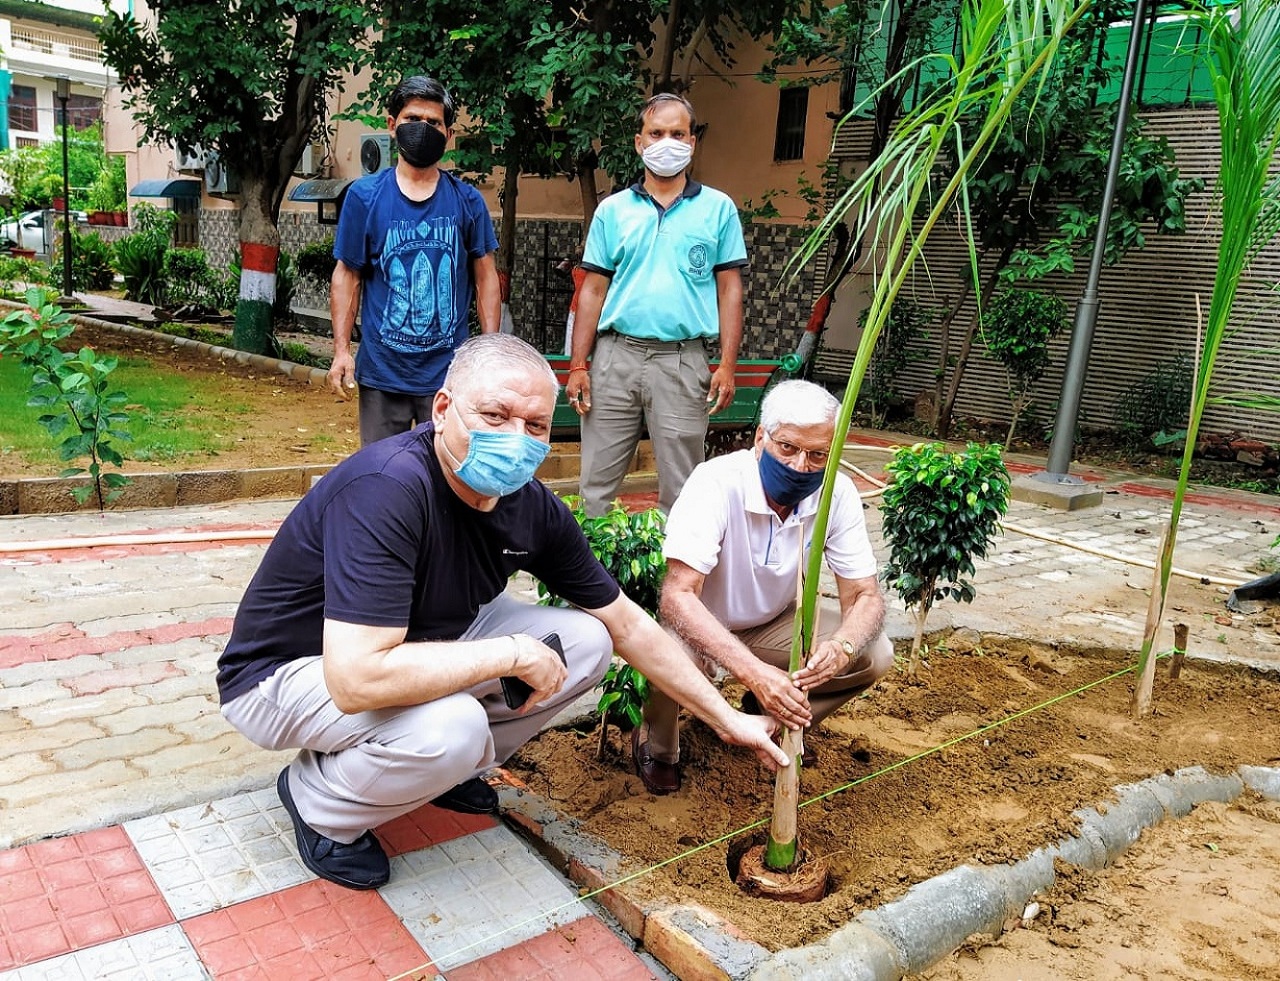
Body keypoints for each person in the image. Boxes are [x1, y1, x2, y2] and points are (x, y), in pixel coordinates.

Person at [216, 333, 787, 891]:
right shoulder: (387, 488)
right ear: (443, 410)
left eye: (535, 425)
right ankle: (320, 804)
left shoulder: (529, 506)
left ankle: (443, 772)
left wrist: (726, 717)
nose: (517, 439)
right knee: (455, 727)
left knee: (588, 640)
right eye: (495, 416)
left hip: (419, 644)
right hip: (285, 675)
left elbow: (629, 623)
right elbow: (356, 678)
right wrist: (509, 653)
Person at [631, 380, 894, 795]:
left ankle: (768, 718)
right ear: (760, 438)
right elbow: (677, 597)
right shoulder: (715, 482)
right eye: (787, 447)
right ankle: (659, 745)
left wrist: (841, 647)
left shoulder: (837, 492)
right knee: (666, 658)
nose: (800, 465)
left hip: (772, 623)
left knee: (874, 653)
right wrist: (754, 673)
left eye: (817, 454)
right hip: (700, 625)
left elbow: (864, 595)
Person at [565, 93, 747, 516]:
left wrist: (727, 364)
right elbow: (592, 291)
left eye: (678, 133)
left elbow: (729, 290)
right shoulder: (613, 211)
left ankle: (673, 582)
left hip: (683, 362)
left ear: (692, 142)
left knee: (683, 493)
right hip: (615, 357)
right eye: (657, 133)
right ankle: (595, 579)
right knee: (595, 488)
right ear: (639, 142)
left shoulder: (717, 209)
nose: (668, 141)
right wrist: (578, 364)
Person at [328, 75, 501, 445]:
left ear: (448, 134)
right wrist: (341, 350)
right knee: (381, 478)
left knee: (448, 479)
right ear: (392, 126)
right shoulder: (364, 197)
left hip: (448, 376)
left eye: (433, 122)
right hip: (381, 374)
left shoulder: (467, 201)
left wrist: (489, 355)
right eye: (411, 119)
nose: (422, 129)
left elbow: (486, 276)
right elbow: (347, 274)